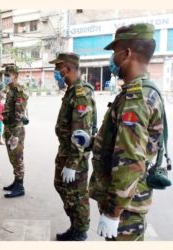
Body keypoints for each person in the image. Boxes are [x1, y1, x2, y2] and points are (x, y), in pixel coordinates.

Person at [89, 23, 165, 241]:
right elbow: (125, 143)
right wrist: (93, 142)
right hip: (128, 202)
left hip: (125, 209)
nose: (112, 59)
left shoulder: (136, 98)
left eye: (114, 53)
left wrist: (114, 213)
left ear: (127, 53)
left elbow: (130, 159)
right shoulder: (142, 91)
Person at [49, 52, 97, 241]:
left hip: (74, 155)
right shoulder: (72, 90)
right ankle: (76, 225)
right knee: (63, 187)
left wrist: (72, 163)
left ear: (67, 68)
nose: (56, 72)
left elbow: (80, 133)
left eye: (57, 68)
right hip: (66, 151)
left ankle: (80, 231)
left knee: (77, 194)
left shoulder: (80, 93)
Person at [1, 65, 29, 198]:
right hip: (9, 128)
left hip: (15, 129)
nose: (6, 77)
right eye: (5, 75)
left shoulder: (19, 91)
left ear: (16, 76)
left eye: (9, 75)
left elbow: (19, 113)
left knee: (17, 157)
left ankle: (20, 186)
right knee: (12, 157)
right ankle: (16, 181)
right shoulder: (10, 90)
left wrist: (7, 116)